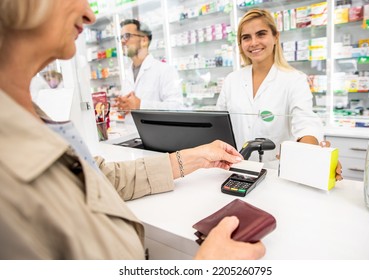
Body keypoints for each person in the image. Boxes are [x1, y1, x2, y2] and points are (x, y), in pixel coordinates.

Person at [0, 0, 265, 259]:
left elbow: (100, 177)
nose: (90, 15)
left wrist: (192, 157)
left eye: (128, 36)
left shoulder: (29, 113)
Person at [216, 8, 342, 180]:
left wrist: (312, 155)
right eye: (246, 37)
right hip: (235, 170)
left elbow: (306, 124)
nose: (253, 42)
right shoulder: (231, 80)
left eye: (261, 34)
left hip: (277, 174)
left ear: (275, 37)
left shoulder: (294, 79)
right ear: (240, 44)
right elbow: (219, 127)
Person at [115, 19, 183, 118]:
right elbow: (129, 110)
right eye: (120, 37)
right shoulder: (128, 73)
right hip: (131, 132)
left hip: (157, 132)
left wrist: (140, 105)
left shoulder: (166, 70)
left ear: (144, 40)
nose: (121, 41)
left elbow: (177, 108)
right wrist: (122, 108)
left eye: (127, 36)